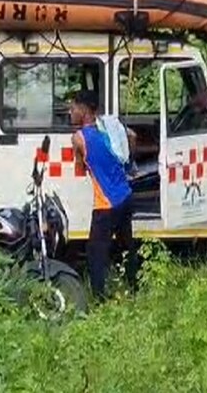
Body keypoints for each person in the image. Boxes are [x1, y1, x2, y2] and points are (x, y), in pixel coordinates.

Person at [70, 90, 138, 300]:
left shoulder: (79, 138)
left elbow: (80, 168)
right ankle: (135, 287)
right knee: (128, 246)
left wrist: (83, 161)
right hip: (126, 197)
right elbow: (132, 136)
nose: (70, 113)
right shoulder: (110, 127)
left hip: (106, 204)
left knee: (95, 253)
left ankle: (100, 299)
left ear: (83, 110)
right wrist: (127, 161)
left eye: (72, 108)